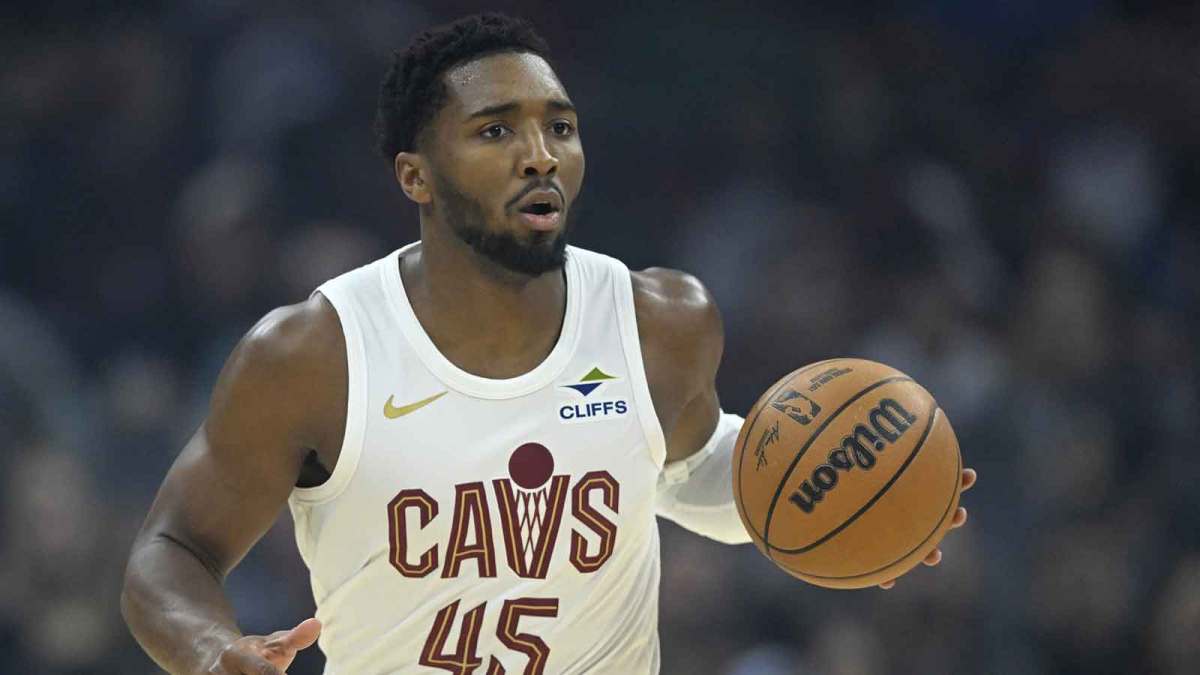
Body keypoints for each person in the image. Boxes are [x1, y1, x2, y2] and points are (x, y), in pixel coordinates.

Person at [121, 13, 976, 675]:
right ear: (415, 174)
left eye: (559, 127)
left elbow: (689, 471)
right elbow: (170, 551)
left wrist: (863, 501)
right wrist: (205, 647)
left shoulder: (661, 319)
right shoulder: (314, 353)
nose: (540, 154)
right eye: (497, 130)